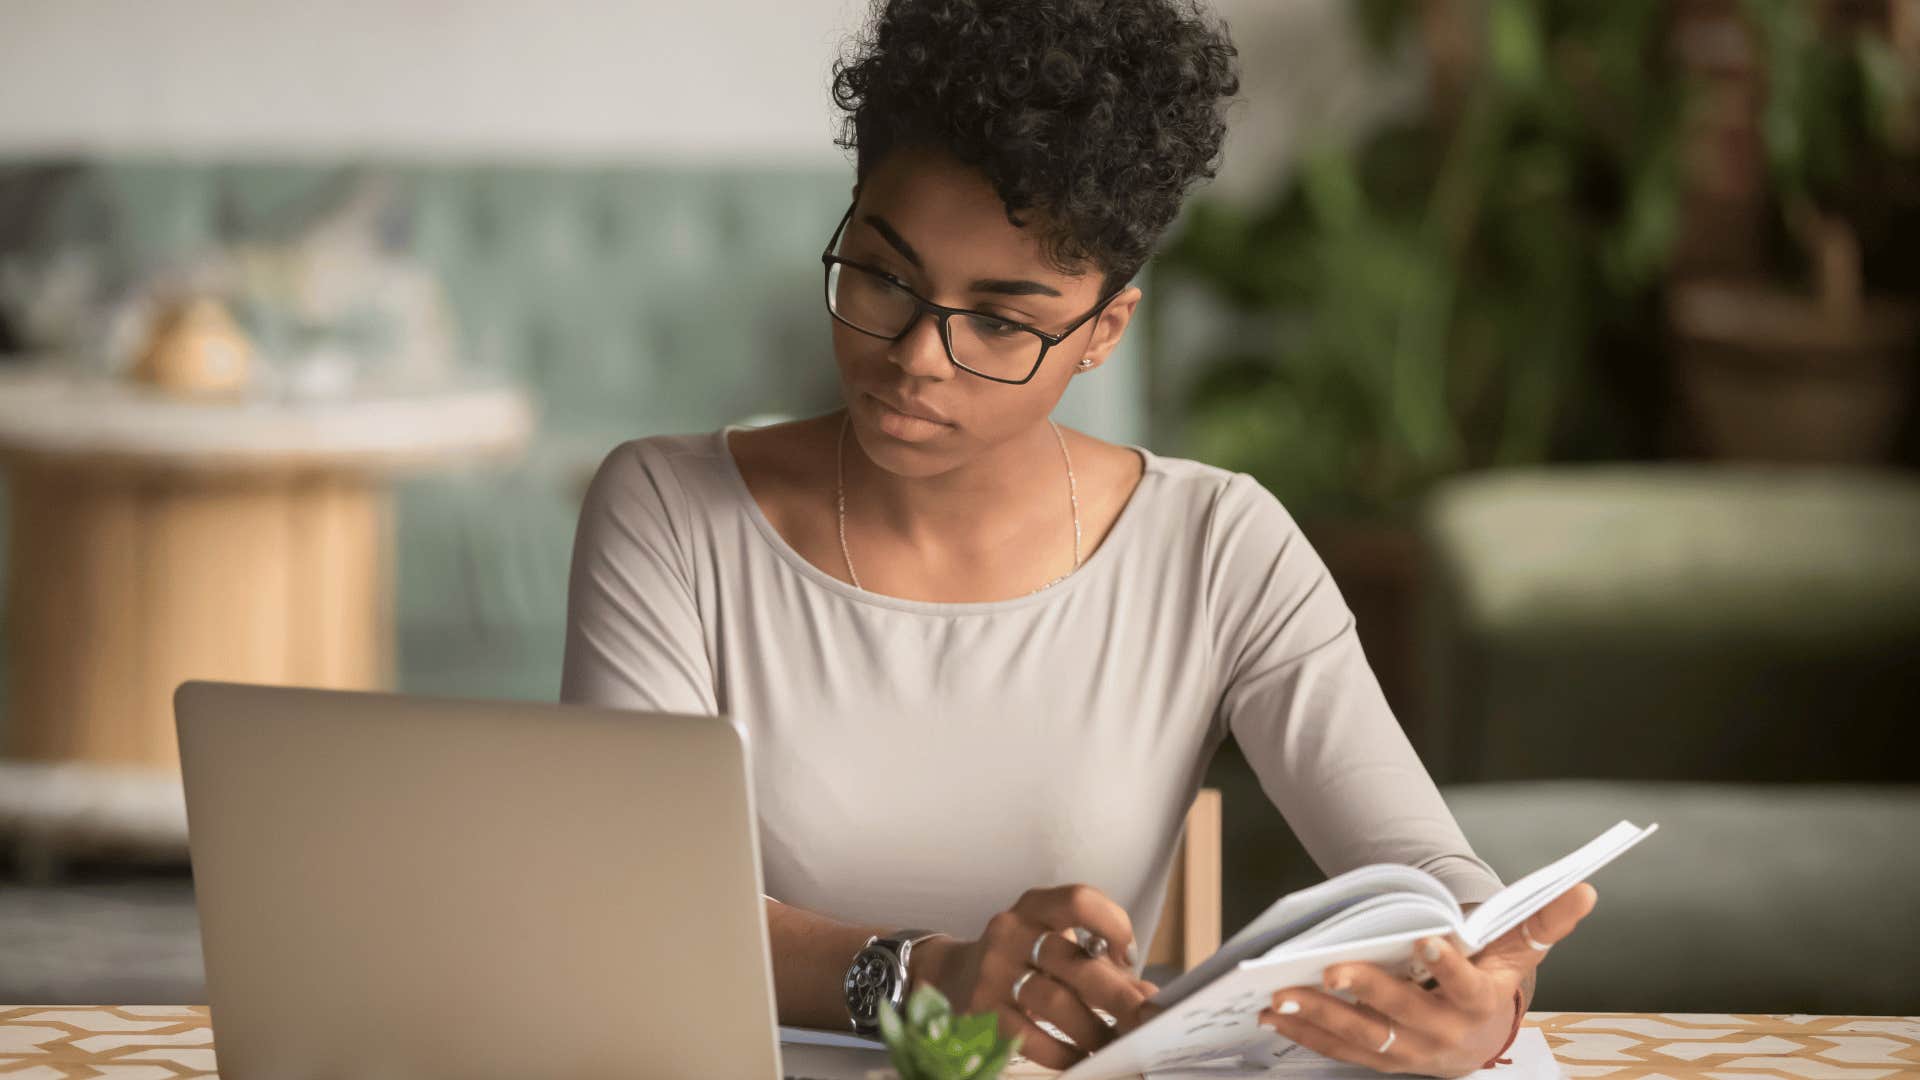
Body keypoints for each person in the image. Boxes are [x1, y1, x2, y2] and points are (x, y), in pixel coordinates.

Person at [561, 0, 1597, 1073]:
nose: (918, 356)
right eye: (882, 276)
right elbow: (627, 898)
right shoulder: (669, 511)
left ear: (1104, 331)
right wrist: (924, 980)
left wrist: (1487, 995)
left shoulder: (1214, 543)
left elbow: (1425, 869)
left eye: (1001, 320)